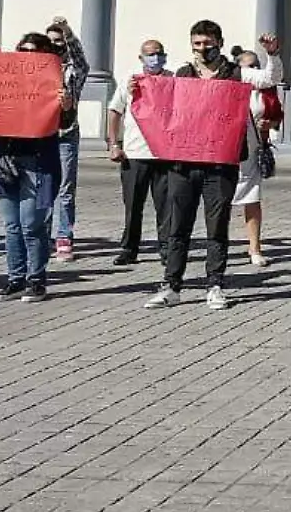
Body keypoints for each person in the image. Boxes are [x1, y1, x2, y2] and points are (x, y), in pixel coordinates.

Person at [146, 19, 270, 311]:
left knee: (217, 225)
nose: (202, 49)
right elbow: (163, 106)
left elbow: (268, 79)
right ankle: (172, 285)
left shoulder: (234, 74)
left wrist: (272, 55)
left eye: (207, 44)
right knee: (179, 225)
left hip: (220, 163)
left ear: (219, 43)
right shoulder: (183, 74)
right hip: (184, 162)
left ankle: (215, 284)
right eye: (197, 44)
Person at [0, 33, 72, 303]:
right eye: (22, 50)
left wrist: (66, 107)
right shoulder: (4, 83)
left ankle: (36, 281)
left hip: (37, 161)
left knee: (31, 225)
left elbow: (65, 124)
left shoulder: (53, 85)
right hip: (5, 160)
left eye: (33, 51)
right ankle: (15, 279)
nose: (27, 55)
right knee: (11, 225)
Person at [105, 39, 170, 266]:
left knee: (166, 206)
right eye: (150, 54)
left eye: (159, 53)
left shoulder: (172, 79)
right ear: (141, 58)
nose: (155, 58)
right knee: (133, 205)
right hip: (135, 152)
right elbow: (114, 111)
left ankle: (167, 249)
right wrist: (114, 144)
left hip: (164, 154)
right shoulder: (130, 80)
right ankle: (129, 248)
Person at [231, 37, 285, 266]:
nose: (252, 70)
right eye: (248, 66)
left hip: (252, 149)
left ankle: (254, 248)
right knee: (220, 200)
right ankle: (219, 245)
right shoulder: (230, 83)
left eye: (255, 65)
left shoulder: (264, 90)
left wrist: (269, 124)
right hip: (227, 149)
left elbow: (276, 112)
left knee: (252, 197)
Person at [44, 19, 88, 262]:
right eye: (50, 42)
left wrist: (69, 32)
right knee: (43, 186)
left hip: (66, 132)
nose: (54, 46)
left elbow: (81, 59)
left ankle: (64, 237)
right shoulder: (36, 68)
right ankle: (42, 235)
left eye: (58, 41)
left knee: (65, 188)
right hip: (41, 133)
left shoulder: (73, 70)